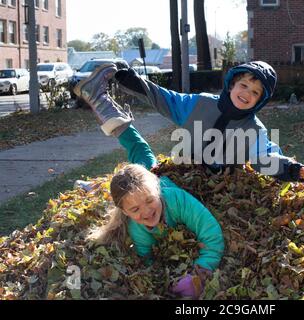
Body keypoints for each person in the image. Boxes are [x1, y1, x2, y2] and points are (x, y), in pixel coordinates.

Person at [79, 71, 224, 299]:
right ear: (125, 212)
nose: (146, 212)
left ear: (157, 187)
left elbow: (212, 234)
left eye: (148, 201)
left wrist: (201, 272)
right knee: (138, 152)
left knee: (142, 153)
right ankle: (98, 100)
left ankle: (98, 99)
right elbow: (145, 257)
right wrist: (155, 279)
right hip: (139, 181)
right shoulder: (138, 227)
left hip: (149, 175)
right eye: (135, 210)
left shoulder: (175, 198)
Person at [74, 61, 304, 182]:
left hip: (219, 186)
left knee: (154, 180)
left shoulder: (254, 130)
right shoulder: (200, 104)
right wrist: (127, 78)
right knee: (146, 167)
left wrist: (289, 168)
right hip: (184, 171)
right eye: (244, 85)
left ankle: (106, 110)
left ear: (260, 101)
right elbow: (164, 99)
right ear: (231, 85)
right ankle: (102, 104)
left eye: (256, 92)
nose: (247, 93)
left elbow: (264, 158)